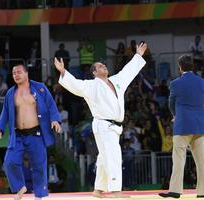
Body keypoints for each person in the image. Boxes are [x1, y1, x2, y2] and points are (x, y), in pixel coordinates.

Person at [54, 42, 147, 198]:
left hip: (113, 126)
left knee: (104, 158)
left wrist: (138, 56)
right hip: (104, 125)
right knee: (113, 156)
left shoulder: (116, 81)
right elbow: (76, 85)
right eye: (100, 66)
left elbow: (128, 71)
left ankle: (98, 190)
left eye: (104, 65)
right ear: (94, 73)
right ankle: (116, 191)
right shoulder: (92, 86)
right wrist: (63, 71)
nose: (104, 66)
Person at [0, 64, 62, 200]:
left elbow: (51, 104)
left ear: (26, 73)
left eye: (19, 72)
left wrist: (55, 120)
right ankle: (19, 187)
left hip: (36, 134)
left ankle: (39, 195)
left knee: (39, 165)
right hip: (17, 135)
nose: (16, 75)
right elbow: (5, 112)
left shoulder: (39, 87)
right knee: (9, 162)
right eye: (13, 73)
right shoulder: (11, 93)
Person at [159, 55, 204, 199]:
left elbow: (171, 103)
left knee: (179, 158)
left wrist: (175, 115)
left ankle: (175, 190)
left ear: (180, 67)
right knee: (201, 160)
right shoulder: (202, 82)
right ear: (193, 66)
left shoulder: (175, 83)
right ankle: (201, 192)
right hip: (199, 125)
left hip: (183, 124)